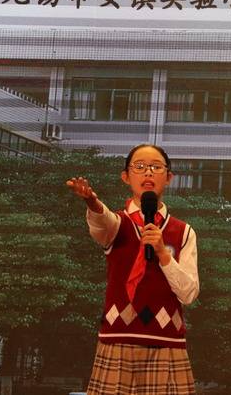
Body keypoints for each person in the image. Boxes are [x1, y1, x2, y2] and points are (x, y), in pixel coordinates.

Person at [66, 144, 199, 395]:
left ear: (169, 177)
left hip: (167, 344)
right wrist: (92, 202)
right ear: (126, 177)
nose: (148, 173)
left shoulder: (183, 232)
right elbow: (102, 220)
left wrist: (163, 254)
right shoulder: (118, 224)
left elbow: (189, 293)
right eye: (139, 167)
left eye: (156, 167)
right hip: (118, 340)